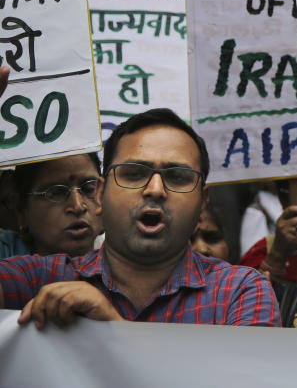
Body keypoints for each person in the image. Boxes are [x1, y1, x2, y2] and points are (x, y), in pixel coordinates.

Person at [0, 108, 278, 327]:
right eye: (134, 174)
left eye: (178, 177)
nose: (155, 190)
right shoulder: (37, 279)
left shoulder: (239, 291)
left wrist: (113, 329)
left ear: (202, 203)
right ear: (100, 193)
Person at [0, 154, 104, 259]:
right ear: (21, 211)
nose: (78, 206)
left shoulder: (117, 259)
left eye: (89, 189)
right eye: (56, 193)